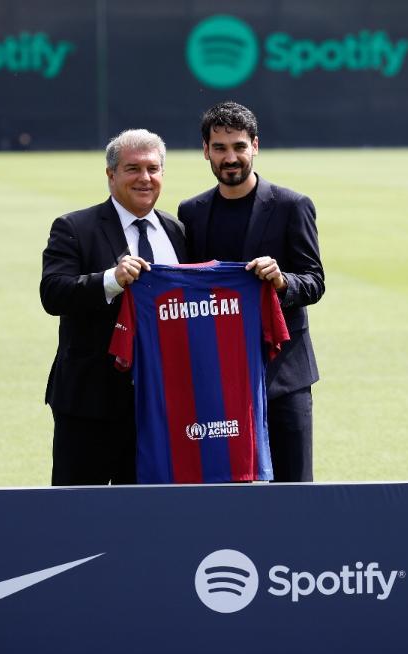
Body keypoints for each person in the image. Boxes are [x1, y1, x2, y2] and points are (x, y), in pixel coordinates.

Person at [177, 101, 325, 482]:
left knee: (294, 487)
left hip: (283, 375)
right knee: (225, 484)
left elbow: (314, 280)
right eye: (221, 148)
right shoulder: (191, 212)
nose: (231, 157)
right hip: (218, 376)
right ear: (205, 151)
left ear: (255, 146)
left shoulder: (292, 206)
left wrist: (282, 281)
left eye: (239, 146)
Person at [40, 129, 186, 485]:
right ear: (111, 175)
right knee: (77, 513)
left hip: (158, 405)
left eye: (153, 169)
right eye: (132, 168)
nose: (144, 178)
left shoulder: (177, 231)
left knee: (146, 516)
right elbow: (53, 294)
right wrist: (111, 280)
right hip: (90, 403)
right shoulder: (74, 227)